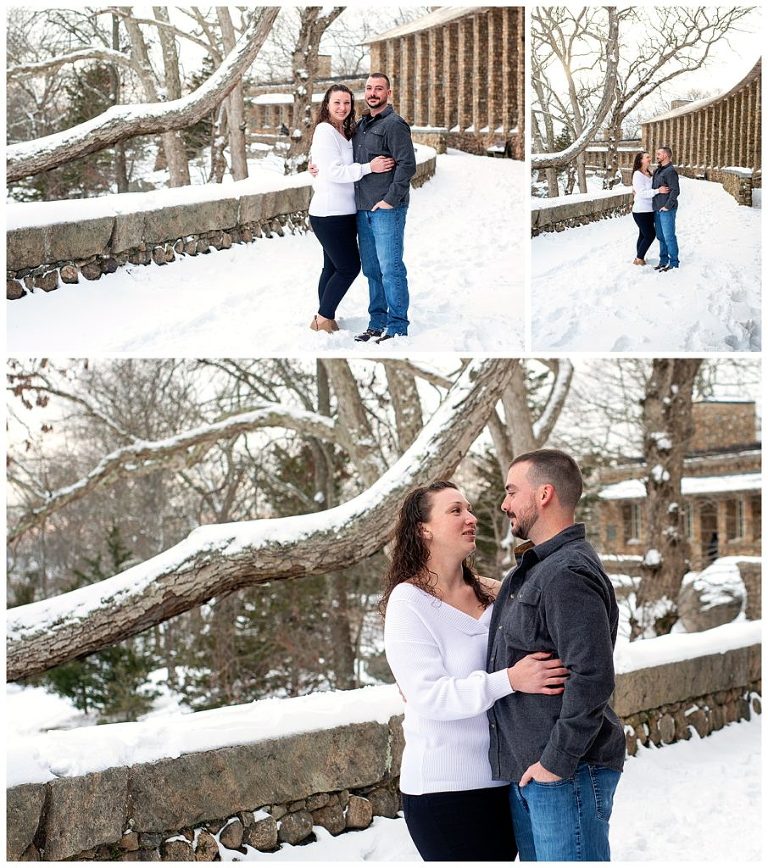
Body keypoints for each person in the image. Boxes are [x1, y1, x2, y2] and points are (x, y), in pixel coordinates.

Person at [382, 480, 570, 862]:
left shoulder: (493, 592)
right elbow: (430, 696)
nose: (471, 518)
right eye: (455, 511)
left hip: (505, 781)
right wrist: (510, 679)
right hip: (444, 791)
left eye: (469, 509)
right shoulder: (408, 602)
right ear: (424, 529)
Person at [487, 449, 625, 862]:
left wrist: (556, 764)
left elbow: (593, 677)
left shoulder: (566, 573)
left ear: (544, 494)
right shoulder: (531, 571)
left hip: (566, 775)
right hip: (535, 775)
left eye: (512, 491)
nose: (504, 503)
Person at [307, 85, 394, 334]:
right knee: (349, 267)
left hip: (345, 212)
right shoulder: (325, 131)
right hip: (328, 213)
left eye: (346, 103)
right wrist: (370, 168)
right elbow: (333, 171)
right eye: (337, 103)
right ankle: (324, 318)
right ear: (326, 105)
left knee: (332, 267)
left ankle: (322, 318)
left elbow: (320, 161)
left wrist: (311, 164)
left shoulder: (345, 130)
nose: (342, 107)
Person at [352, 73, 416, 344]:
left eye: (379, 88)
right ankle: (377, 322)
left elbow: (407, 165)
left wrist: (390, 199)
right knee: (372, 270)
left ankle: (398, 325)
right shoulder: (360, 125)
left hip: (386, 208)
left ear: (389, 93)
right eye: (368, 88)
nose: (372, 93)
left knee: (391, 268)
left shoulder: (394, 125)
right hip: (362, 207)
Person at [630, 151, 668, 265]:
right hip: (640, 211)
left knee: (643, 234)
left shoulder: (649, 173)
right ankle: (638, 258)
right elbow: (641, 193)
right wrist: (658, 191)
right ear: (641, 160)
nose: (650, 158)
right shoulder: (637, 174)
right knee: (650, 234)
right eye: (647, 157)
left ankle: (639, 257)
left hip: (650, 210)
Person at [652, 145, 681, 271]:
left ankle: (674, 262)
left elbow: (675, 191)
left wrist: (667, 206)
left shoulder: (670, 171)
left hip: (666, 210)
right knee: (661, 236)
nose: (657, 156)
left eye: (659, 153)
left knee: (669, 236)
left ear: (665, 155)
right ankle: (663, 260)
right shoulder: (658, 170)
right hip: (657, 209)